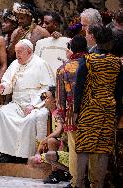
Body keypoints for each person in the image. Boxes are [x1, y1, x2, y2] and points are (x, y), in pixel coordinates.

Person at [74, 24, 122, 188]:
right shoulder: (116, 63)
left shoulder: (87, 61)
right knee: (103, 148)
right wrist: (118, 113)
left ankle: (80, 183)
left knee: (83, 147)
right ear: (110, 42)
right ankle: (98, 185)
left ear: (96, 40)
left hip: (89, 108)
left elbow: (79, 88)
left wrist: (76, 111)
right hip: (108, 109)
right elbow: (119, 91)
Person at [0, 39, 54, 163]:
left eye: (19, 52)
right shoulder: (15, 64)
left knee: (30, 119)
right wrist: (3, 87)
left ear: (29, 51)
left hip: (35, 105)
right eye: (16, 52)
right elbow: (8, 83)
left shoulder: (41, 64)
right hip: (17, 103)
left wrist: (33, 105)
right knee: (2, 114)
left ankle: (26, 155)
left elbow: (47, 88)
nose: (17, 55)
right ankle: (6, 153)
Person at [54, 34, 88, 188]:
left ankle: (76, 182)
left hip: (71, 113)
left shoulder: (63, 69)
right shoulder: (91, 63)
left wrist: (61, 116)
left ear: (71, 49)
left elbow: (60, 98)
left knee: (75, 149)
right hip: (93, 111)